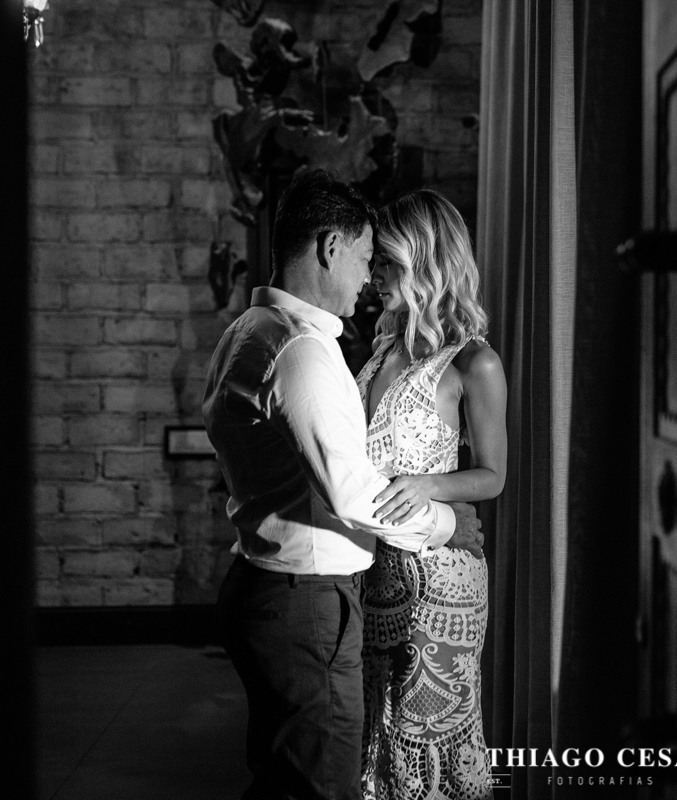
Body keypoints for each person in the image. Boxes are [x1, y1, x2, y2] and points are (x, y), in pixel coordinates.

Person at [203, 169, 484, 800]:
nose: (368, 278)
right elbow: (352, 492)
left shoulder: (247, 332)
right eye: (364, 258)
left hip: (271, 583)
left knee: (287, 777)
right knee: (323, 784)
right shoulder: (300, 349)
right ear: (331, 248)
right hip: (305, 600)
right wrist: (447, 523)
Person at [355, 189, 507, 800]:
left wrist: (428, 485)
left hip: (439, 580)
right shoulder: (382, 350)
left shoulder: (474, 363)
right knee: (375, 746)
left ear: (424, 261)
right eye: (375, 262)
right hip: (372, 571)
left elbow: (493, 475)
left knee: (424, 755)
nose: (374, 276)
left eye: (387, 262)